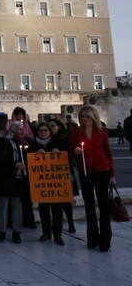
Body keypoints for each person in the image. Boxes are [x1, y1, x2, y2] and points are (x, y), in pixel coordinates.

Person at [71, 105, 116, 252]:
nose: (85, 119)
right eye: (82, 117)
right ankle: (92, 238)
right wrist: (76, 151)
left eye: (87, 116)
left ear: (93, 116)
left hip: (102, 169)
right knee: (89, 205)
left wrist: (112, 175)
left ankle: (105, 240)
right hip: (85, 170)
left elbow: (108, 153)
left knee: (104, 205)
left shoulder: (102, 131)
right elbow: (72, 149)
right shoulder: (76, 132)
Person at [28, 122, 66, 245]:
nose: (43, 132)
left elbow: (68, 159)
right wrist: (35, 154)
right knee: (43, 208)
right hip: (42, 183)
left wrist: (58, 152)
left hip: (55, 183)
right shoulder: (33, 145)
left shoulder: (57, 143)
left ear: (50, 132)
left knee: (57, 209)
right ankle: (46, 232)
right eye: (40, 130)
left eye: (45, 130)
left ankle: (58, 233)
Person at [0, 114, 24, 244]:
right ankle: (2, 231)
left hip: (14, 177)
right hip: (2, 177)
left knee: (15, 205)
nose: (9, 125)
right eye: (7, 123)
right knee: (2, 205)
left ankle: (16, 231)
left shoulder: (11, 139)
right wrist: (13, 164)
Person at [47, 118, 78, 233]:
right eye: (49, 126)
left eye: (53, 126)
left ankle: (70, 222)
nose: (51, 128)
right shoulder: (46, 140)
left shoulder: (65, 139)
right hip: (50, 173)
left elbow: (71, 157)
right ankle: (54, 223)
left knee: (66, 200)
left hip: (64, 172)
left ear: (59, 127)